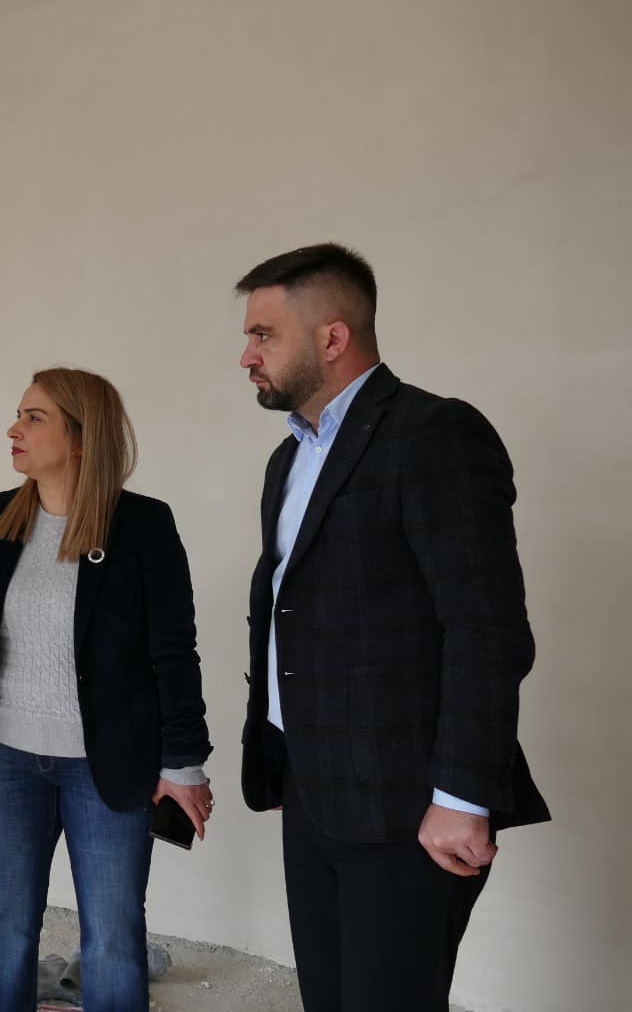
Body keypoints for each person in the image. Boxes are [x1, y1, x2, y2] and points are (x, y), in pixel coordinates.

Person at [235, 243, 550, 1011]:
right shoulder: (287, 461)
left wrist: (463, 797)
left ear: (332, 338)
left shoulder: (434, 434)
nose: (247, 356)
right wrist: (279, 750)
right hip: (313, 787)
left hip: (408, 803)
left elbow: (486, 628)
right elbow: (296, 608)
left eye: (264, 335)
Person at [0, 367, 212, 1012]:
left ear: (82, 437)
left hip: (106, 766)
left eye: (34, 418)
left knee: (112, 937)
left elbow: (174, 653)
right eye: (19, 414)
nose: (14, 428)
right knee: (7, 926)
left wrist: (184, 762)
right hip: (6, 761)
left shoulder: (143, 525)